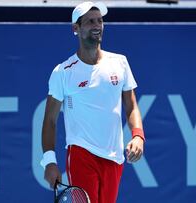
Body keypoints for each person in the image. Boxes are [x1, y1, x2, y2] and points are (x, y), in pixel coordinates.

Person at [40, 1, 145, 203]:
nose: (97, 25)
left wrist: (138, 135)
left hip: (114, 158)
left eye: (99, 21)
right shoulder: (63, 72)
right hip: (81, 154)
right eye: (89, 22)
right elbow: (50, 120)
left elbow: (130, 105)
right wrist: (49, 161)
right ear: (76, 29)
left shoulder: (120, 63)